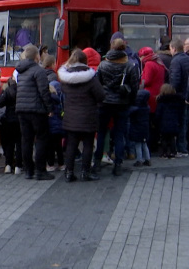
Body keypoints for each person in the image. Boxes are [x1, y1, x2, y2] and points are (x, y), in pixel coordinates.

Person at [93, 38, 139, 177]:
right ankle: (118, 164)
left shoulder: (103, 65)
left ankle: (97, 162)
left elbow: (98, 85)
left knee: (101, 132)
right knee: (119, 134)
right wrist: (130, 101)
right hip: (122, 103)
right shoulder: (130, 65)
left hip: (105, 103)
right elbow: (134, 87)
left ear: (111, 47)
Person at [57, 49, 104, 182]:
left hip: (71, 116)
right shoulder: (91, 78)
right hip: (88, 116)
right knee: (88, 145)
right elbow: (101, 95)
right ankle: (85, 172)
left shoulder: (65, 79)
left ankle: (69, 173)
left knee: (71, 144)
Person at [15, 44, 54, 180]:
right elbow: (44, 91)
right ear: (37, 56)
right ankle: (40, 171)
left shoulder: (21, 71)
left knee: (26, 140)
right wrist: (49, 108)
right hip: (37, 110)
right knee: (42, 139)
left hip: (21, 109)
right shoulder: (39, 71)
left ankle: (28, 171)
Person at [168, 38, 189, 156]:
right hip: (186, 94)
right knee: (184, 122)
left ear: (174, 48)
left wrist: (170, 90)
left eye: (170, 49)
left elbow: (175, 80)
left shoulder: (176, 61)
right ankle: (183, 146)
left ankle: (181, 148)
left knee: (179, 122)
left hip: (178, 96)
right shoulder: (187, 59)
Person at [0, 75, 23, 174]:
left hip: (8, 120)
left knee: (9, 144)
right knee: (19, 144)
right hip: (20, 120)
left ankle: (8, 165)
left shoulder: (6, 91)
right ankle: (18, 166)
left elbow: (0, 104)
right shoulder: (22, 91)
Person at [155, 84, 184, 158]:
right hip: (174, 122)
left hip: (163, 123)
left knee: (164, 138)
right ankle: (173, 152)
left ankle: (164, 153)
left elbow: (158, 113)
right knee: (172, 138)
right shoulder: (176, 100)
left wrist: (156, 122)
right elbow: (180, 113)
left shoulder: (161, 101)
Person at [46, 80, 65, 171]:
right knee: (59, 146)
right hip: (59, 126)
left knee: (50, 147)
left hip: (50, 127)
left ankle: (51, 165)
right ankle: (61, 164)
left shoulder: (48, 100)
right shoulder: (59, 99)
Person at [129, 86, 151, 167]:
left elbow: (129, 112)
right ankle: (148, 159)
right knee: (144, 144)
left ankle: (139, 160)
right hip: (145, 128)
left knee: (138, 145)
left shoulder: (135, 109)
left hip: (137, 129)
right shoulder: (147, 108)